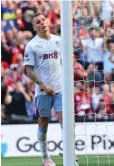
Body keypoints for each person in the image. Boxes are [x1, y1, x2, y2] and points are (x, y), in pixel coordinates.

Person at [23, 13, 78, 166]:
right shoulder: (32, 45)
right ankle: (45, 158)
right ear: (34, 27)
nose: (42, 23)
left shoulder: (58, 40)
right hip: (43, 92)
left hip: (61, 89)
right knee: (43, 123)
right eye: (38, 22)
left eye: (43, 20)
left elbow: (66, 62)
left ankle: (71, 158)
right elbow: (29, 70)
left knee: (65, 121)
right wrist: (42, 85)